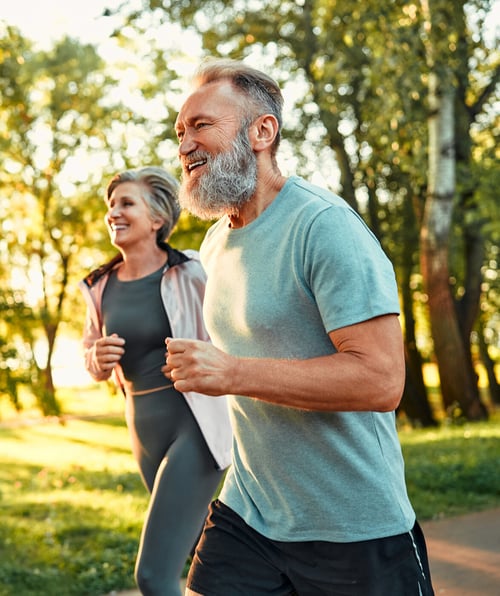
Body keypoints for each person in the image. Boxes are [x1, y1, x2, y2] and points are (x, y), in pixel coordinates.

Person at [165, 59, 435, 596]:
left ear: (262, 131)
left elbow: (381, 380)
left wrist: (234, 373)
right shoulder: (217, 243)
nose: (185, 145)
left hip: (353, 523)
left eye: (201, 126)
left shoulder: (323, 227)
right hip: (250, 510)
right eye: (179, 132)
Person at [78, 166, 232, 596]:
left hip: (194, 425)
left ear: (157, 219)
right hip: (143, 428)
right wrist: (96, 357)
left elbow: (232, 335)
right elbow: (90, 356)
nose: (114, 213)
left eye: (126, 203)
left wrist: (203, 359)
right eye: (111, 205)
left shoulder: (194, 271)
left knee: (153, 575)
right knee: (203, 553)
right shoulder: (99, 285)